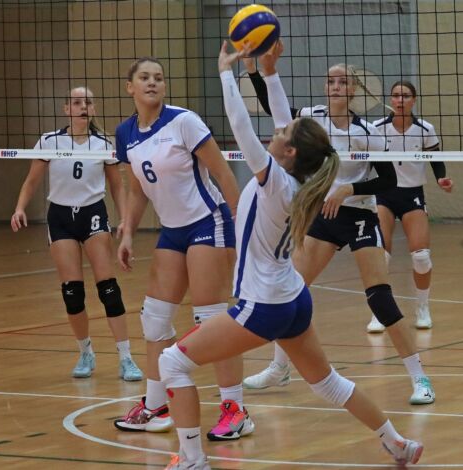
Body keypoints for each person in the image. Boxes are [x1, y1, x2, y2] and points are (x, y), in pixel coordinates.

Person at [159, 41, 424, 470]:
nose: (276, 132)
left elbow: (240, 125)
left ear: (290, 152)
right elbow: (286, 121)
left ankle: (192, 460)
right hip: (293, 298)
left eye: (281, 136)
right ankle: (398, 443)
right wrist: (269, 72)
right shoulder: (299, 179)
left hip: (263, 304)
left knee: (171, 362)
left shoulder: (274, 181)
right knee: (328, 383)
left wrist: (226, 72)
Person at [242, 54, 435, 405]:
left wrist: (350, 189)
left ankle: (420, 378)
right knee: (290, 290)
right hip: (323, 216)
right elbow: (274, 109)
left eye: (343, 82)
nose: (335, 86)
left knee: (380, 298)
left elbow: (388, 180)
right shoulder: (311, 119)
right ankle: (279, 367)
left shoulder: (367, 133)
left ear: (354, 90)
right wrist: (256, 71)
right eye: (331, 81)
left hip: (359, 216)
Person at [113, 57, 253, 441]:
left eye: (158, 78)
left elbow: (222, 172)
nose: (152, 83)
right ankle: (156, 406)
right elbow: (137, 189)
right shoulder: (125, 133)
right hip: (172, 231)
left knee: (212, 321)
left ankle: (235, 409)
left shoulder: (184, 121)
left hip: (209, 222)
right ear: (130, 87)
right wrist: (127, 233)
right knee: (155, 319)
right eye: (144, 77)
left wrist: (242, 221)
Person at [11, 86, 143, 382]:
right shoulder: (49, 141)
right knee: (72, 293)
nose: (83, 106)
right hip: (60, 217)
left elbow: (117, 186)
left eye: (88, 102)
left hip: (92, 214)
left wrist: (125, 220)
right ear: (66, 109)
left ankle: (126, 358)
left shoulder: (103, 144)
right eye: (77, 102)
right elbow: (32, 180)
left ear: (93, 109)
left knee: (108, 289)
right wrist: (19, 208)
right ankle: (85, 352)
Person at [371, 81, 453, 331]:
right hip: (383, 194)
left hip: (412, 195)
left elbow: (435, 159)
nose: (400, 100)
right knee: (380, 256)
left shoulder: (425, 129)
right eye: (396, 96)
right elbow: (365, 159)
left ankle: (422, 307)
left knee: (421, 257)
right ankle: (378, 314)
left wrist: (442, 178)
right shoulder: (376, 128)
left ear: (413, 100)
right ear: (391, 100)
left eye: (405, 96)